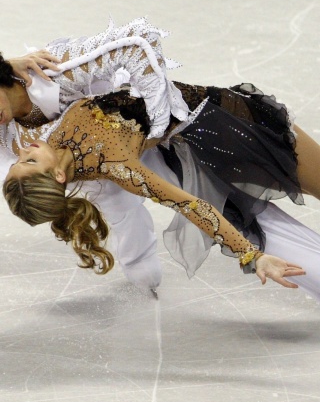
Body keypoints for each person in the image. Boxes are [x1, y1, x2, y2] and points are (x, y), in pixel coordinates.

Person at [2, 87, 310, 295]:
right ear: (57, 175)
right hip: (222, 126)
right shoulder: (116, 166)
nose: (25, 151)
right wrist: (251, 256)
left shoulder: (43, 141)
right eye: (29, 161)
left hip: (207, 114)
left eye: (20, 160)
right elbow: (191, 206)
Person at [0, 18, 193, 291]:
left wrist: (158, 126)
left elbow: (138, 40)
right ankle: (143, 271)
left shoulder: (56, 72)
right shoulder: (16, 145)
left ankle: (143, 270)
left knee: (142, 188)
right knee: (114, 195)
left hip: (116, 130)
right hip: (58, 152)